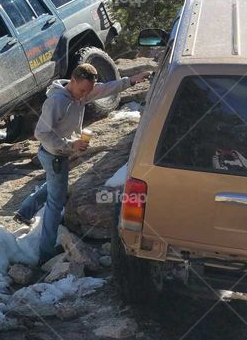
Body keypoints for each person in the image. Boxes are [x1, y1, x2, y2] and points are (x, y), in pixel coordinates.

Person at [15, 63, 151, 261]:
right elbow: (41, 133)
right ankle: (45, 252)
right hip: (53, 155)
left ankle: (25, 211)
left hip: (61, 155)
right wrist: (71, 144)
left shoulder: (82, 92)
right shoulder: (56, 101)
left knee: (55, 183)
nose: (83, 95)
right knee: (56, 201)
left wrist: (130, 80)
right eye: (81, 90)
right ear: (73, 81)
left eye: (87, 91)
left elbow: (105, 88)